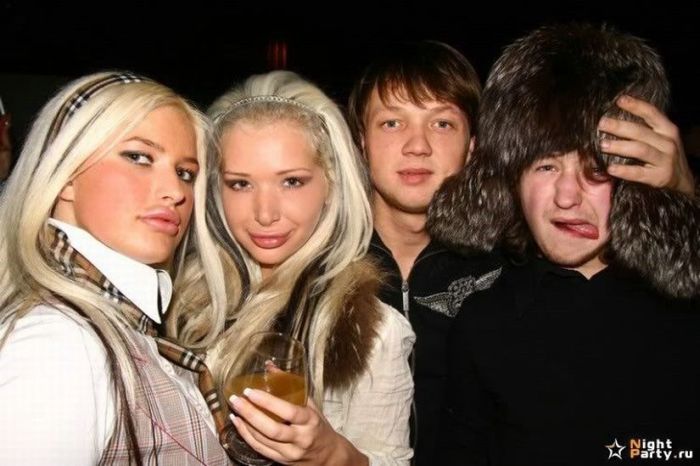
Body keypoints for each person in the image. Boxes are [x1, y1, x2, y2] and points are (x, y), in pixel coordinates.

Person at [347, 39, 697, 464]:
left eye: (442, 123)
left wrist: (682, 199)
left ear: (474, 146)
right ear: (360, 141)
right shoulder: (320, 265)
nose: (416, 145)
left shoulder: (507, 266)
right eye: (391, 122)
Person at [0, 71, 232, 464]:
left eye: (185, 173)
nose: (175, 192)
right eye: (139, 157)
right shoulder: (59, 346)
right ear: (66, 175)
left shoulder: (114, 327)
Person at [199, 70, 415, 465]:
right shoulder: (177, 304)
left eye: (292, 182)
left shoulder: (372, 331)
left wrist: (331, 452)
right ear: (215, 189)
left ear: (330, 184)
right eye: (241, 184)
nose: (265, 213)